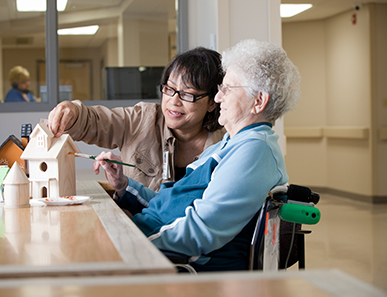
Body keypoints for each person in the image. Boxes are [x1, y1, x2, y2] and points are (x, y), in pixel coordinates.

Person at [94, 39, 301, 272]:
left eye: (227, 89)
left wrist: (132, 240)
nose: (218, 97)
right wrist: (124, 185)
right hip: (153, 244)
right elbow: (170, 204)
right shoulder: (230, 144)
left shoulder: (255, 152)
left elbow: (202, 232)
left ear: (259, 101)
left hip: (177, 264)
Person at [47, 47, 226, 191]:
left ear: (213, 101)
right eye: (169, 89)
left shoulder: (227, 144)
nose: (173, 101)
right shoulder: (141, 120)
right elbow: (94, 122)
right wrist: (73, 112)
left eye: (187, 94)